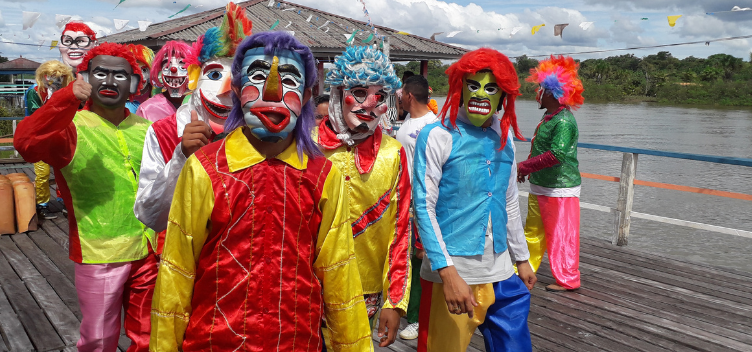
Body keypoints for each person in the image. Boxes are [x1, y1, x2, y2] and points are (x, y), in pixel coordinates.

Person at [149, 30, 373, 351]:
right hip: (214, 341)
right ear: (238, 91)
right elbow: (176, 271)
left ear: (308, 96)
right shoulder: (205, 169)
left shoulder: (323, 175)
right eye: (257, 77)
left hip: (296, 342)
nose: (271, 91)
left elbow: (341, 274)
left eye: (289, 80)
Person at [14, 42, 157, 352]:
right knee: (98, 340)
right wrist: (66, 98)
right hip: (99, 253)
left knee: (149, 336)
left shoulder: (148, 129)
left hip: (150, 250)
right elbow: (25, 142)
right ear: (85, 78)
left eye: (119, 75)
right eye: (99, 73)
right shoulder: (69, 128)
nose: (108, 81)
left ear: (133, 83)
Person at [412, 48, 537, 352]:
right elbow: (423, 208)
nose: (482, 94)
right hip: (453, 276)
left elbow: (508, 202)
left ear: (503, 95)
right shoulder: (436, 136)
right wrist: (447, 271)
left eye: (491, 88)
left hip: (502, 273)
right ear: (460, 87)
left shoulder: (504, 137)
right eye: (474, 85)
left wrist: (521, 258)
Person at [318, 45, 411, 348]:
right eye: (359, 92)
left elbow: (401, 231)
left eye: (380, 96)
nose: (370, 104)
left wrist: (395, 302)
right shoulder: (307, 147)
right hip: (305, 285)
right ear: (337, 93)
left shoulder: (394, 154)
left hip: (364, 291)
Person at [134, 2, 250, 238]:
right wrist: (181, 157)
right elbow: (149, 216)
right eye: (215, 75)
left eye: (237, 78)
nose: (226, 90)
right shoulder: (163, 132)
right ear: (195, 78)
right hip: (179, 260)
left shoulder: (255, 132)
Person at [518, 55, 584, 292]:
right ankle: (523, 273)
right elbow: (540, 148)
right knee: (532, 232)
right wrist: (526, 169)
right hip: (540, 185)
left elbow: (556, 154)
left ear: (552, 93)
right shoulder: (549, 118)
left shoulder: (564, 121)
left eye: (541, 89)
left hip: (560, 188)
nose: (537, 93)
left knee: (561, 235)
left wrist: (523, 167)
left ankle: (567, 279)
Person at [394, 74, 437, 340]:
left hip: (420, 203)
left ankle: (419, 319)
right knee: (405, 257)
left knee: (420, 258)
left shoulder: (432, 125)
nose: (397, 98)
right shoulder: (408, 119)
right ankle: (408, 309)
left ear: (409, 95)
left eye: (400, 94)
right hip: (402, 200)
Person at [25, 60, 75, 220]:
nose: (55, 80)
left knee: (64, 170)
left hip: (61, 136)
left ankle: (65, 202)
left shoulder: (65, 91)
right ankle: (42, 205)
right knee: (43, 172)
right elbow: (36, 115)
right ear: (44, 76)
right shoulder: (35, 91)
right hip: (40, 137)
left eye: (59, 76)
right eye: (51, 76)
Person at [136, 41, 192, 122]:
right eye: (167, 65)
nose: (173, 70)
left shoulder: (199, 104)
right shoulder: (147, 109)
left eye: (181, 64)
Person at [126, 44, 154, 113]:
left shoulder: (160, 93)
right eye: (133, 70)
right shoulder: (119, 97)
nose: (140, 76)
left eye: (144, 70)